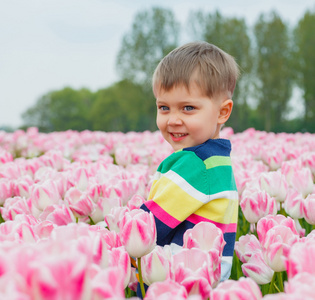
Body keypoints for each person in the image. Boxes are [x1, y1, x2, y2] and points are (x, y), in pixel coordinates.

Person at [140, 41, 239, 281]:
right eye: (164, 107)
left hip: (179, 281)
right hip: (204, 278)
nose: (173, 119)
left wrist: (101, 237)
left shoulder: (196, 165)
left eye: (187, 108)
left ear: (222, 112)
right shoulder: (216, 161)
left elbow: (151, 227)